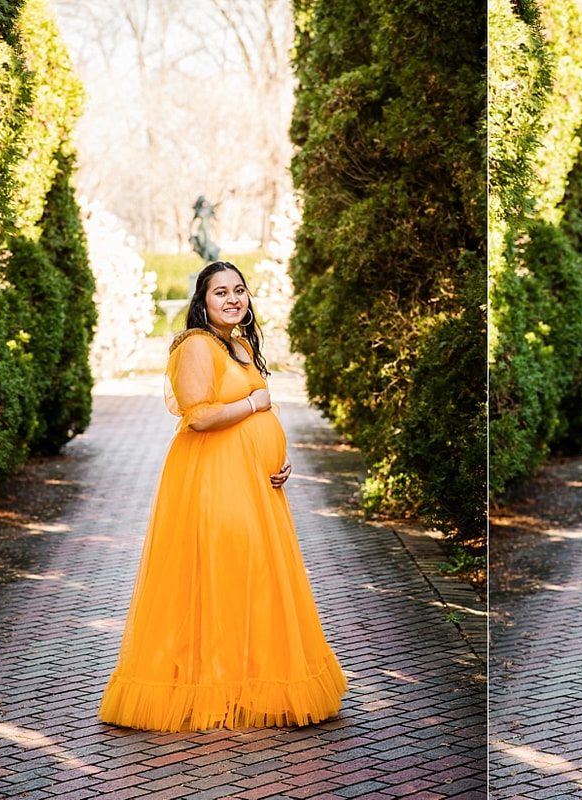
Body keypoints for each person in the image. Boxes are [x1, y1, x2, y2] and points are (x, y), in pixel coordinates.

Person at [98, 261, 347, 732]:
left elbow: (255, 417)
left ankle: (250, 682)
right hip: (215, 478)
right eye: (220, 293)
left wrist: (276, 458)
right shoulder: (195, 345)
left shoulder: (240, 344)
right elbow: (201, 416)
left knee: (257, 579)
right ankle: (211, 685)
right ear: (202, 301)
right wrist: (257, 405)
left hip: (256, 482)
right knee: (225, 573)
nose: (232, 299)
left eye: (239, 290)